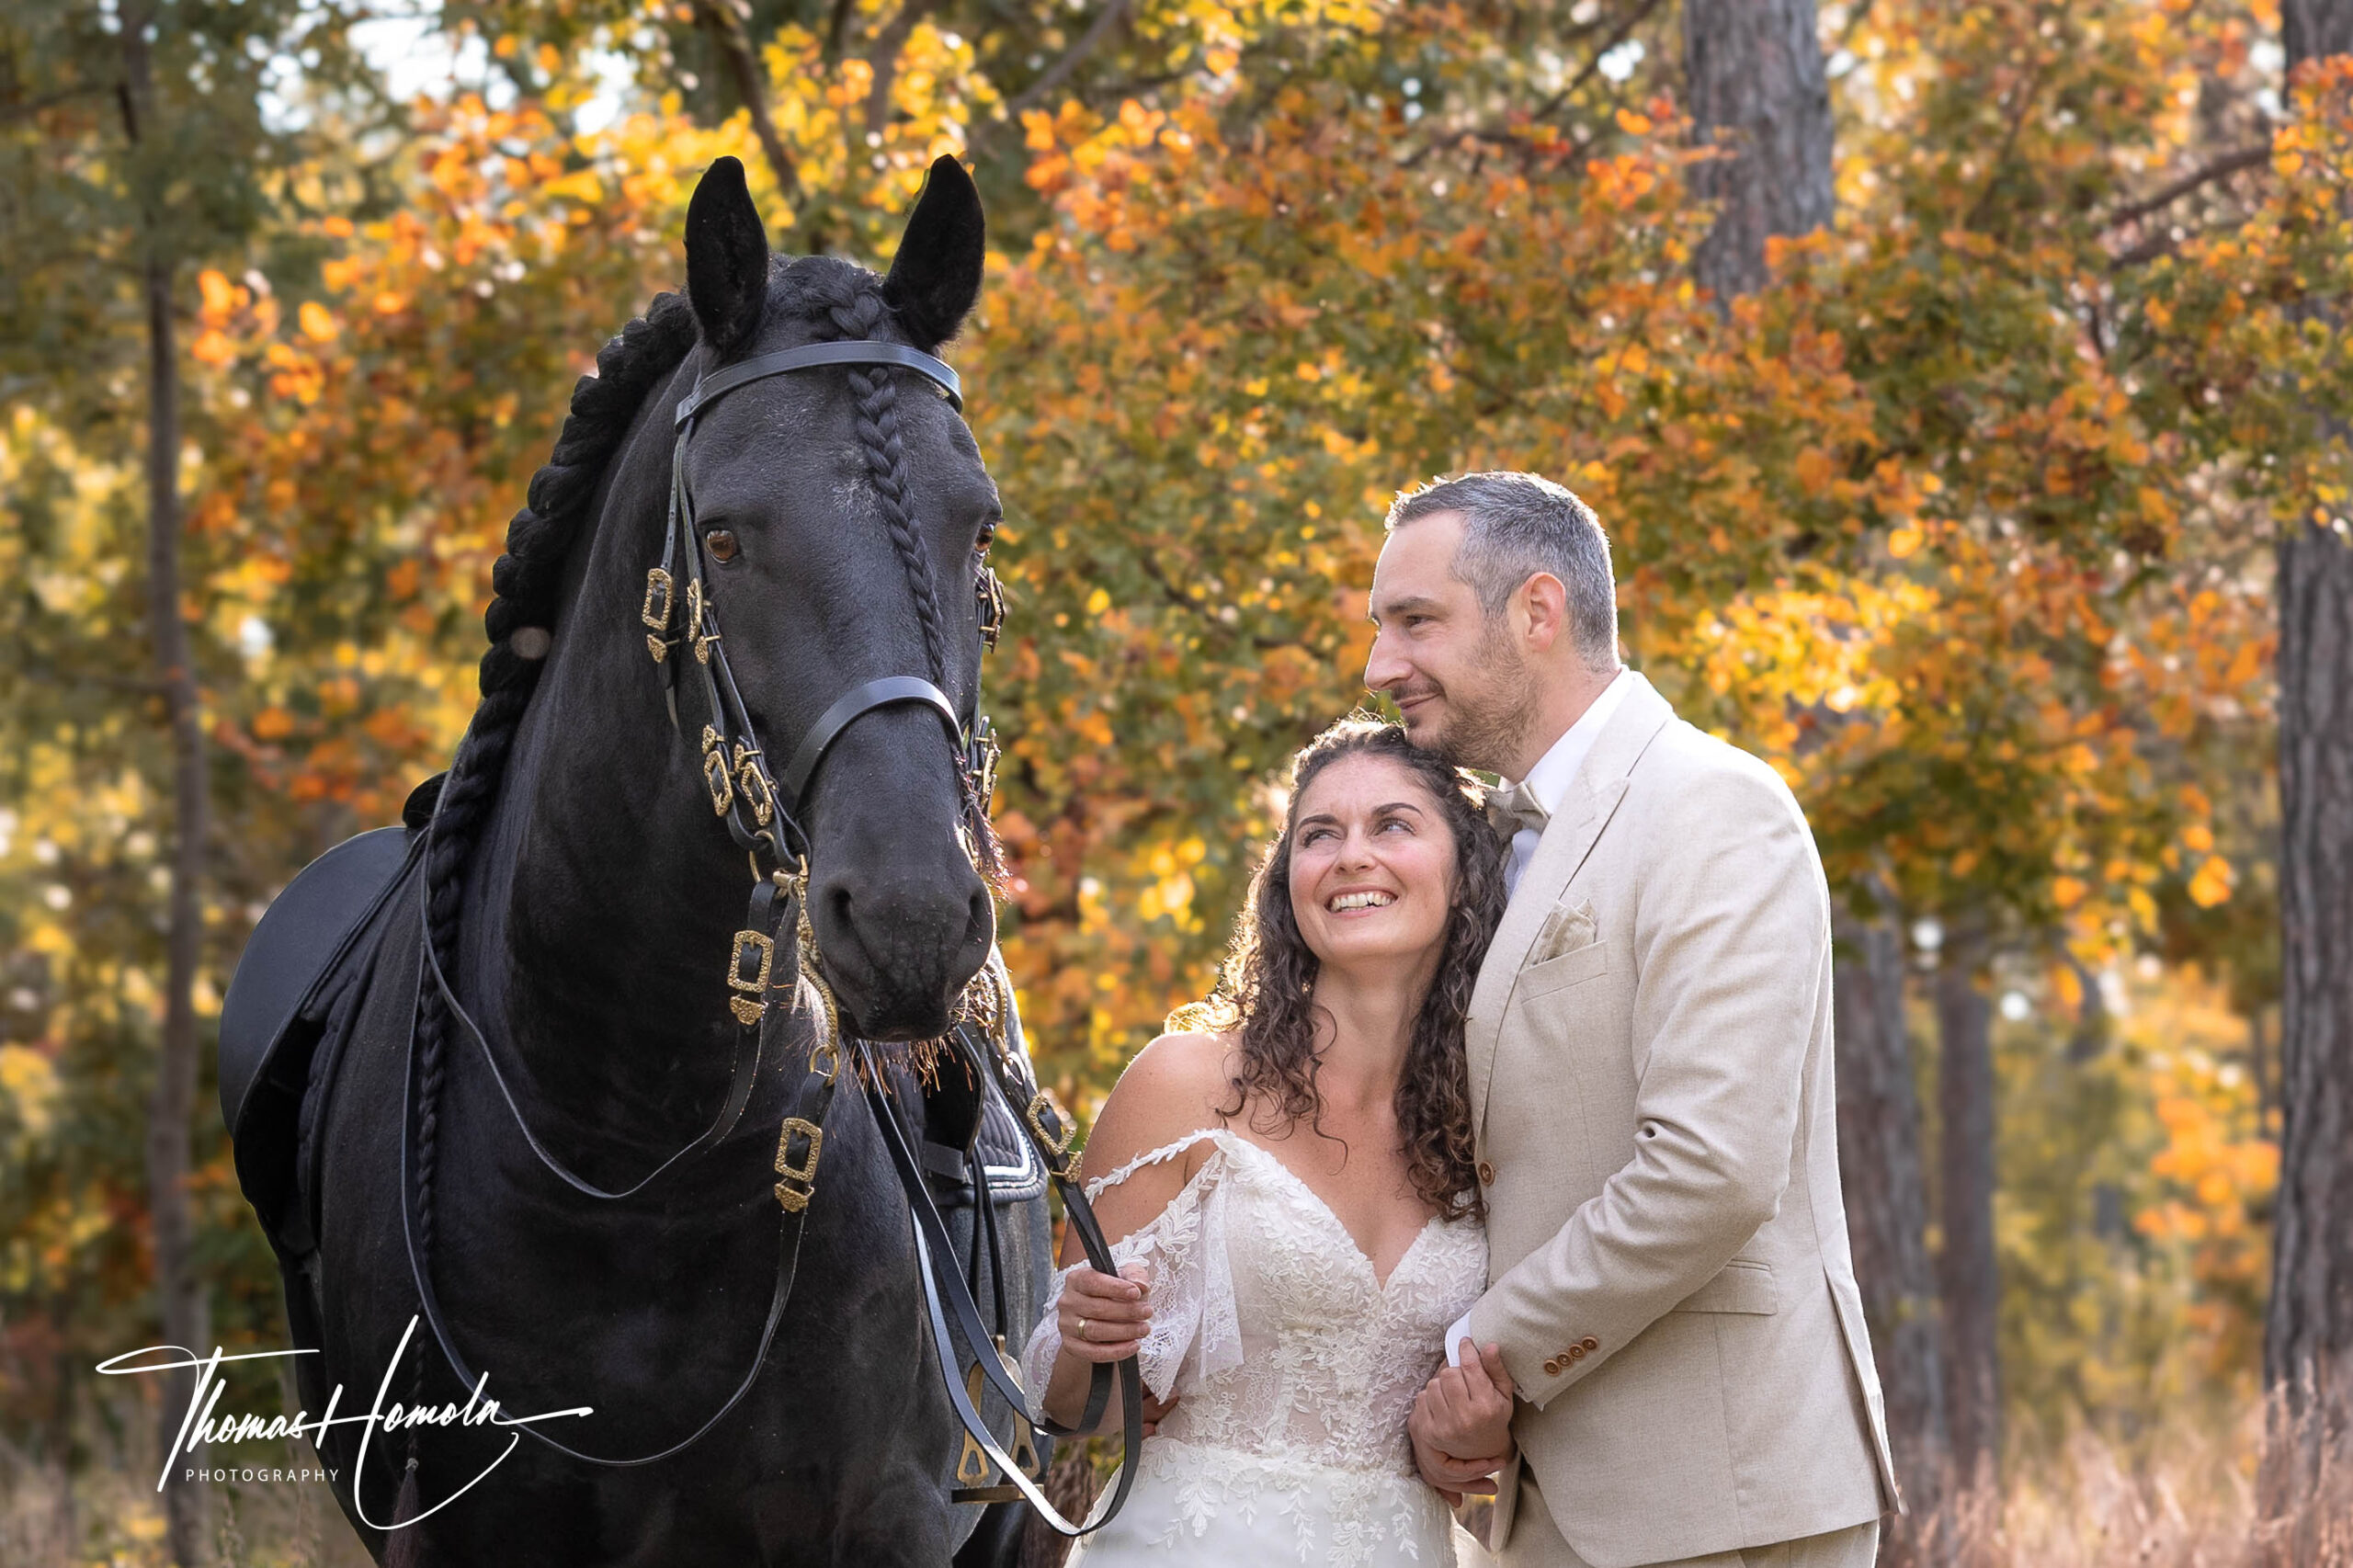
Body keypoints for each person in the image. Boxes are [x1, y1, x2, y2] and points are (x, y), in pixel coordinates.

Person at [1365, 472, 1902, 1568]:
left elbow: (1710, 1170)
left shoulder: (1713, 807)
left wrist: (1481, 1353)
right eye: (1381, 627)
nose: (1382, 666)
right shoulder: (1488, 845)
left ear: (1537, 611)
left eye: (1415, 621)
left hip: (1722, 1492)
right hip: (1549, 1497)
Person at [1018, 719, 1515, 1566]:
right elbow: (1079, 1409)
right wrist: (1081, 1339)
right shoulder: (1183, 1085)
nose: (1352, 855)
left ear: (1465, 873)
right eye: (1320, 835)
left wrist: (1482, 1431)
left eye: (1391, 825)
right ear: (1289, 882)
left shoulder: (1495, 1117)